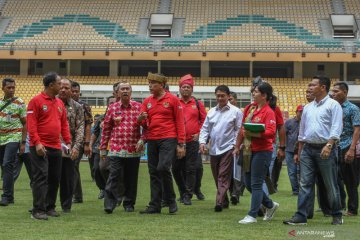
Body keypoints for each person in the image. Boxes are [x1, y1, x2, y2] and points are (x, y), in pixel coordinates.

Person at [283, 75, 343, 225]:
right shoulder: (307, 108)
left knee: (330, 184)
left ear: (322, 87)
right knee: (304, 184)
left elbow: (336, 128)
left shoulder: (333, 105)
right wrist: (299, 151)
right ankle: (301, 216)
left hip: (326, 148)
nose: (309, 87)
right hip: (308, 150)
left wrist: (329, 146)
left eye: (312, 85)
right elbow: (302, 133)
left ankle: (336, 214)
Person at [138, 72, 186, 214]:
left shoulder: (173, 100)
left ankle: (170, 200)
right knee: (153, 172)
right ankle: (155, 205)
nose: (150, 86)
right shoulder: (147, 102)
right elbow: (143, 124)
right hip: (152, 139)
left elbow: (180, 122)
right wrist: (140, 119)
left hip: (168, 138)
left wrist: (181, 143)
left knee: (163, 167)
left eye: (153, 83)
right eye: (149, 83)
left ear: (162, 85)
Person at [27, 72, 71, 220]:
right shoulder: (36, 101)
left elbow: (64, 123)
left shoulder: (59, 103)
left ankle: (49, 207)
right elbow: (31, 125)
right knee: (41, 177)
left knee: (54, 178)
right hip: (40, 146)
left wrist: (68, 141)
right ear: (51, 85)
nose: (62, 86)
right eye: (59, 84)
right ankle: (37, 210)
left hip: (56, 147)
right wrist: (37, 143)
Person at [235, 82, 279, 224]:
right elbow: (243, 129)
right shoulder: (250, 109)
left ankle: (252, 215)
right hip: (248, 150)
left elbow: (271, 133)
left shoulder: (269, 112)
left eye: (256, 92)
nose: (253, 93)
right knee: (248, 183)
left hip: (262, 151)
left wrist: (255, 134)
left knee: (256, 183)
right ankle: (271, 205)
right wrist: (237, 146)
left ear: (265, 95)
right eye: (253, 91)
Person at [100, 82, 144, 214]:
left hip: (133, 149)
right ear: (118, 92)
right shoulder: (112, 108)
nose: (125, 91)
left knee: (131, 177)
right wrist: (103, 148)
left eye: (127, 89)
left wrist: (142, 140)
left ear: (131, 92)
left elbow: (146, 126)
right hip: (116, 148)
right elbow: (107, 129)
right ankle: (110, 203)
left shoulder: (139, 107)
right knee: (114, 176)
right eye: (122, 89)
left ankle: (129, 203)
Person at [199, 85, 243, 212]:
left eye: (222, 95)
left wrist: (236, 145)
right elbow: (205, 129)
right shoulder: (211, 112)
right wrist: (202, 142)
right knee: (216, 175)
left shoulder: (236, 112)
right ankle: (224, 200)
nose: (220, 98)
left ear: (228, 96)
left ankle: (218, 202)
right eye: (218, 95)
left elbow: (239, 130)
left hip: (228, 148)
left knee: (222, 176)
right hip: (213, 149)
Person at [172, 74, 206, 205]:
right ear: (180, 89)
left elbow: (204, 121)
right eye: (183, 87)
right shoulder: (175, 102)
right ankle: (182, 191)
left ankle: (188, 194)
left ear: (192, 90)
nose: (185, 89)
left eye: (188, 87)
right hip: (177, 141)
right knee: (176, 168)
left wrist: (199, 133)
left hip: (192, 141)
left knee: (191, 168)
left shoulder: (198, 104)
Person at [331, 81, 360, 216]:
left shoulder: (352, 108)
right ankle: (338, 205)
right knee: (335, 179)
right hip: (333, 146)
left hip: (346, 145)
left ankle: (352, 209)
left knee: (350, 180)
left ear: (345, 92)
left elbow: (357, 130)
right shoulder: (331, 107)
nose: (333, 93)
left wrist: (352, 149)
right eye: (333, 91)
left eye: (336, 91)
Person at [58, 78, 84, 213]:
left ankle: (66, 206)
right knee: (48, 176)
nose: (63, 90)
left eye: (66, 88)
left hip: (70, 147)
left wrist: (76, 147)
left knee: (68, 178)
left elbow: (80, 127)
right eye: (61, 87)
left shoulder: (77, 107)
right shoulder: (51, 103)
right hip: (52, 146)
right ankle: (44, 204)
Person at [0, 78, 27, 206]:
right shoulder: (0, 103)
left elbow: (25, 124)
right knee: (5, 167)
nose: (11, 90)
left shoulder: (20, 102)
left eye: (13, 87)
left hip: (13, 137)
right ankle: (10, 196)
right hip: (1, 139)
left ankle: (5, 196)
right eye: (8, 88)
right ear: (3, 88)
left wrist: (23, 142)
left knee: (6, 164)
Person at [71, 81, 93, 203]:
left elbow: (88, 126)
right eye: (72, 91)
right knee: (70, 167)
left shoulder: (84, 106)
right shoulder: (63, 104)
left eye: (76, 91)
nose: (75, 93)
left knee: (74, 166)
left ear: (80, 92)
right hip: (67, 141)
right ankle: (74, 194)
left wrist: (86, 143)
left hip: (79, 141)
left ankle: (77, 196)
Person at [228, 91, 246, 204]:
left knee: (238, 170)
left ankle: (236, 193)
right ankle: (232, 192)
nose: (229, 102)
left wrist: (239, 144)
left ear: (235, 100)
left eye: (231, 99)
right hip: (226, 146)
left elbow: (242, 129)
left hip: (238, 145)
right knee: (228, 171)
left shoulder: (240, 113)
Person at [284, 105, 303, 195]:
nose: (301, 113)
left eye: (303, 112)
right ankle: (295, 190)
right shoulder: (289, 122)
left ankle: (302, 189)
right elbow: (283, 135)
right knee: (292, 172)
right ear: (296, 112)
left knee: (301, 172)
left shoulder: (305, 122)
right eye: (300, 111)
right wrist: (282, 148)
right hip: (289, 150)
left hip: (302, 151)